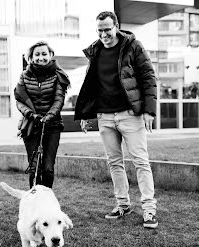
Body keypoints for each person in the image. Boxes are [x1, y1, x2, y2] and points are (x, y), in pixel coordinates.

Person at [74, 11, 158, 228]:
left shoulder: (133, 46)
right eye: (100, 30)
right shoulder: (95, 51)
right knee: (114, 163)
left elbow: (148, 77)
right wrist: (86, 114)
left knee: (140, 161)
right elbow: (90, 85)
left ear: (117, 27)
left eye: (107, 30)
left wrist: (149, 111)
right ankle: (123, 205)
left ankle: (149, 210)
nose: (104, 34)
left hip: (130, 115)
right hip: (105, 116)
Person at [15, 41, 70, 189]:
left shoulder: (58, 75)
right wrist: (32, 115)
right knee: (34, 168)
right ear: (31, 57)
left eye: (44, 54)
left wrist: (49, 116)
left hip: (52, 126)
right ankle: (34, 201)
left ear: (50, 55)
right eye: (37, 54)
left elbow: (59, 100)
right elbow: (19, 101)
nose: (41, 57)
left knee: (47, 168)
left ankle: (46, 200)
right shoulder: (24, 76)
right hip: (31, 125)